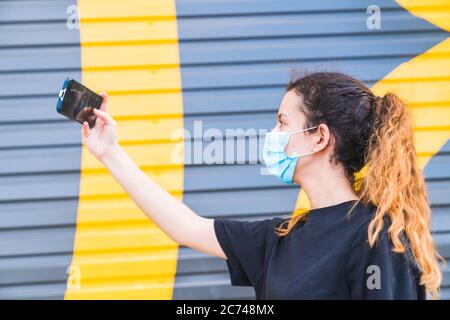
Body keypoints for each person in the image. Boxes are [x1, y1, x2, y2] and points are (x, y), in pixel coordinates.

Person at [81, 72, 442, 299]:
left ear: (318, 138)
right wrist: (110, 152)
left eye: (283, 123)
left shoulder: (377, 236)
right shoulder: (281, 238)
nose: (273, 136)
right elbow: (186, 227)